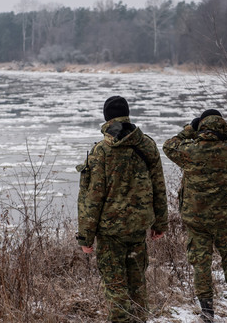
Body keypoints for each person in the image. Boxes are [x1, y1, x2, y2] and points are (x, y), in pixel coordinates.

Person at [76, 96, 168, 322]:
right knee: (137, 285)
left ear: (106, 117)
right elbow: (159, 187)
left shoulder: (101, 151)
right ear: (128, 114)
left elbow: (92, 198)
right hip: (137, 230)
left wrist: (85, 237)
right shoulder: (147, 145)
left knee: (116, 286)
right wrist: (160, 223)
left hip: (110, 234)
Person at [162, 109, 227, 322]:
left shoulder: (189, 151)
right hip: (225, 219)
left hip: (197, 220)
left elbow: (168, 145)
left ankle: (207, 312)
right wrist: (223, 134)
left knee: (201, 264)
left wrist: (190, 130)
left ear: (201, 127)